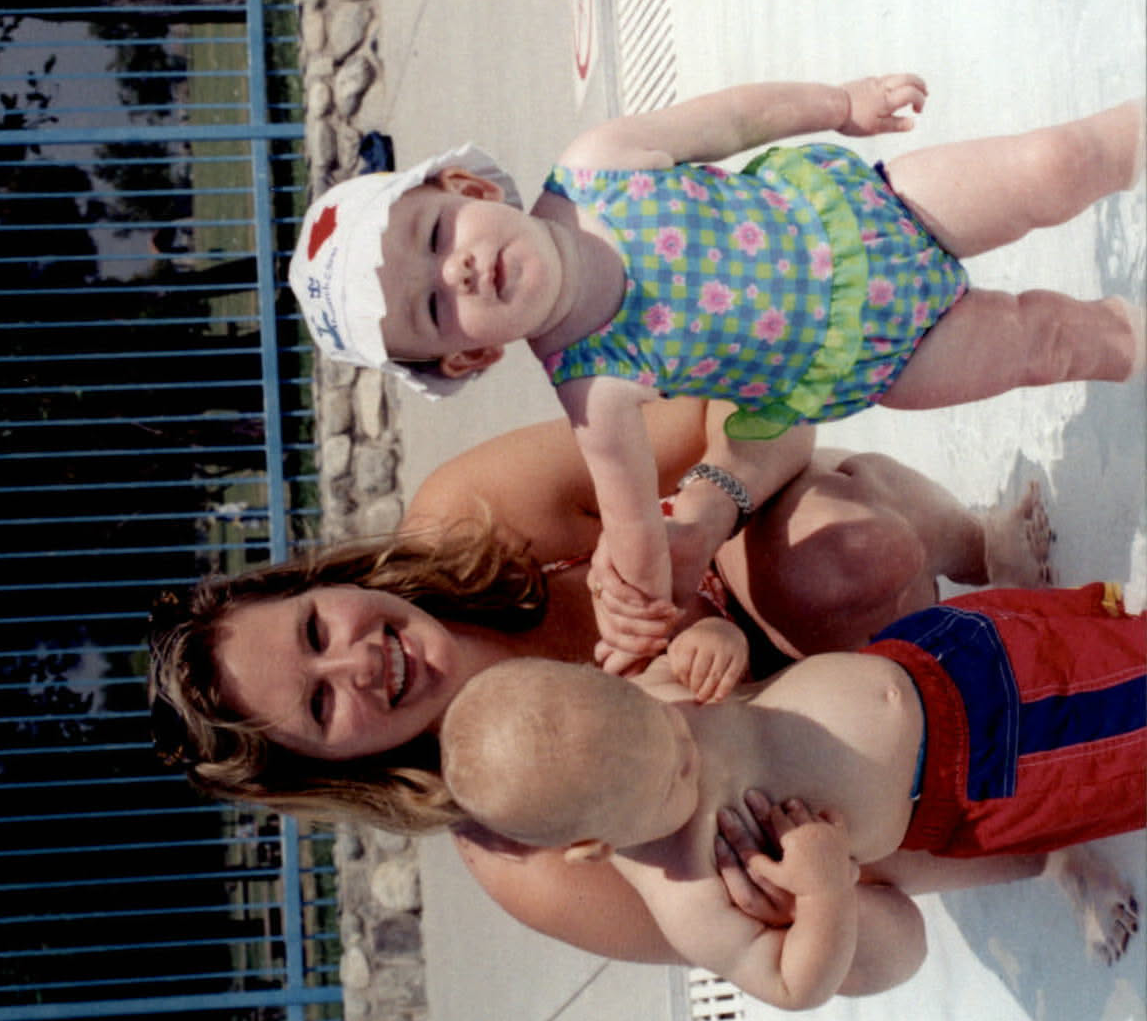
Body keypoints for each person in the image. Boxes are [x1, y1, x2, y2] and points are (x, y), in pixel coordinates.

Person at [149, 401, 1139, 986]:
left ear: (314, 582)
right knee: (806, 854)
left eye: (314, 631)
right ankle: (1040, 838)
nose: (358, 664)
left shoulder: (472, 519)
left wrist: (697, 526)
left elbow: (759, 407)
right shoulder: (529, 854)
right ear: (334, 767)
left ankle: (978, 551)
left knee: (845, 554)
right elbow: (805, 950)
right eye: (321, 706)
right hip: (872, 783)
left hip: (828, 614)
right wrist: (794, 895)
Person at [289, 80, 1142, 650]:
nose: (460, 272)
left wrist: (839, 103)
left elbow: (734, 120)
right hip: (883, 354)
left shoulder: (598, 164)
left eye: (437, 237)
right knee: (1051, 342)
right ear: (469, 353)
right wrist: (633, 596)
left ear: (469, 192)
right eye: (435, 307)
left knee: (1056, 163)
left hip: (875, 212)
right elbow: (635, 529)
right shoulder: (593, 390)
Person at [439, 582, 1146, 1008]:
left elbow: (710, 647)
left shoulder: (643, 695)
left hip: (937, 650)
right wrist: (824, 891)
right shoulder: (688, 897)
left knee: (1100, 637)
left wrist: (715, 639)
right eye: (671, 779)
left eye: (662, 720)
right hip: (988, 762)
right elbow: (791, 985)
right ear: (593, 846)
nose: (685, 743)